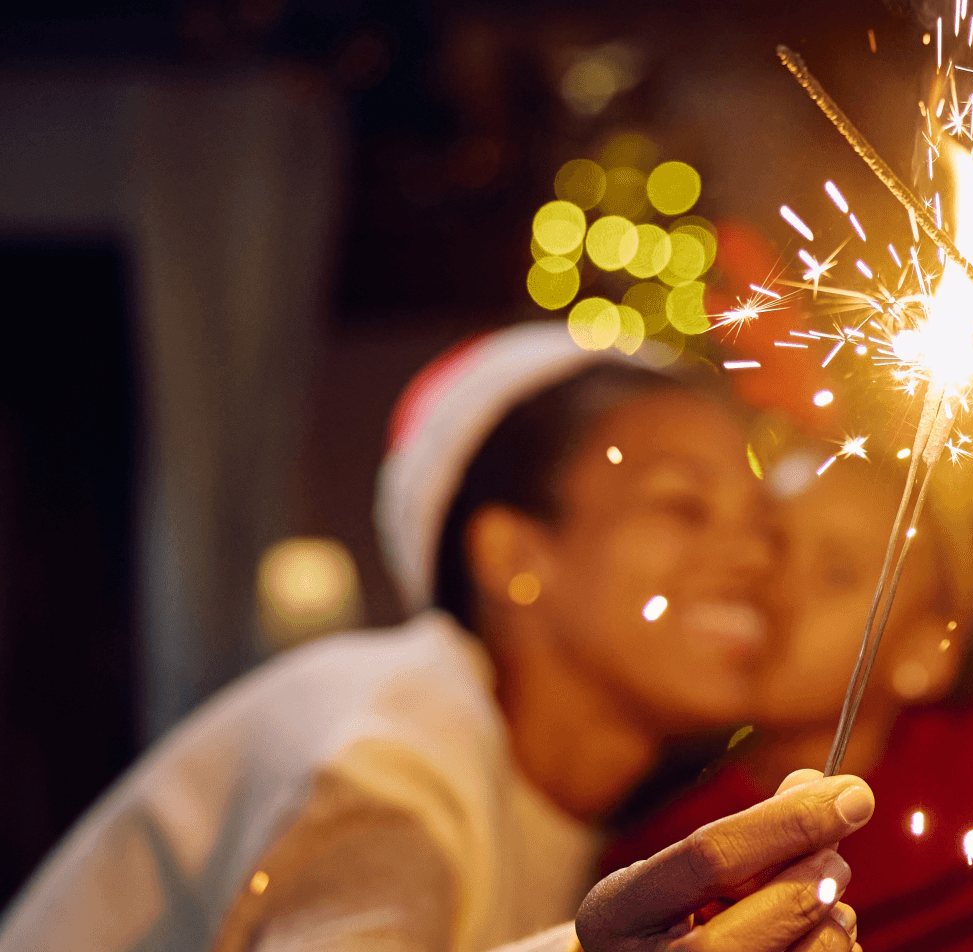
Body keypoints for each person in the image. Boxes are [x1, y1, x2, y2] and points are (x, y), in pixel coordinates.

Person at [0, 323, 874, 952]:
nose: (756, 555)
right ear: (512, 556)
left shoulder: (621, 804)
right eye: (682, 505)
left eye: (763, 520)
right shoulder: (382, 767)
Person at [603, 399, 973, 951]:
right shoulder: (678, 854)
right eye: (773, 543)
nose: (774, 584)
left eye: (837, 572)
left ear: (925, 652)